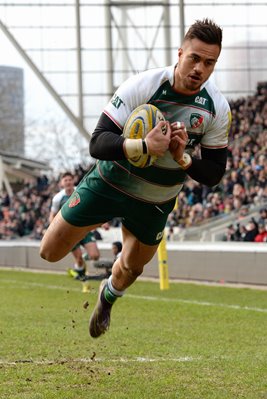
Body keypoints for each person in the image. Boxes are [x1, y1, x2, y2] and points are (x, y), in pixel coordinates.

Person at [40, 18, 231, 338]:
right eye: (194, 58)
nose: (200, 68)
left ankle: (107, 297)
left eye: (209, 62)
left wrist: (182, 157)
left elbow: (214, 173)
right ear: (180, 53)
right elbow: (98, 142)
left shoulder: (217, 108)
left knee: (131, 268)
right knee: (49, 251)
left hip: (155, 201)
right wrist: (142, 146)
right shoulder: (143, 86)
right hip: (109, 183)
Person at [49, 171, 100, 280]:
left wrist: (101, 222)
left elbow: (91, 207)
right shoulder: (58, 198)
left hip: (84, 229)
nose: (68, 182)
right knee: (79, 259)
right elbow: (52, 216)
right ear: (61, 183)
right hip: (69, 233)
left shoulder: (81, 191)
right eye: (65, 180)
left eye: (70, 180)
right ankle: (82, 280)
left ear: (73, 180)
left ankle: (78, 269)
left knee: (95, 256)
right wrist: (53, 231)